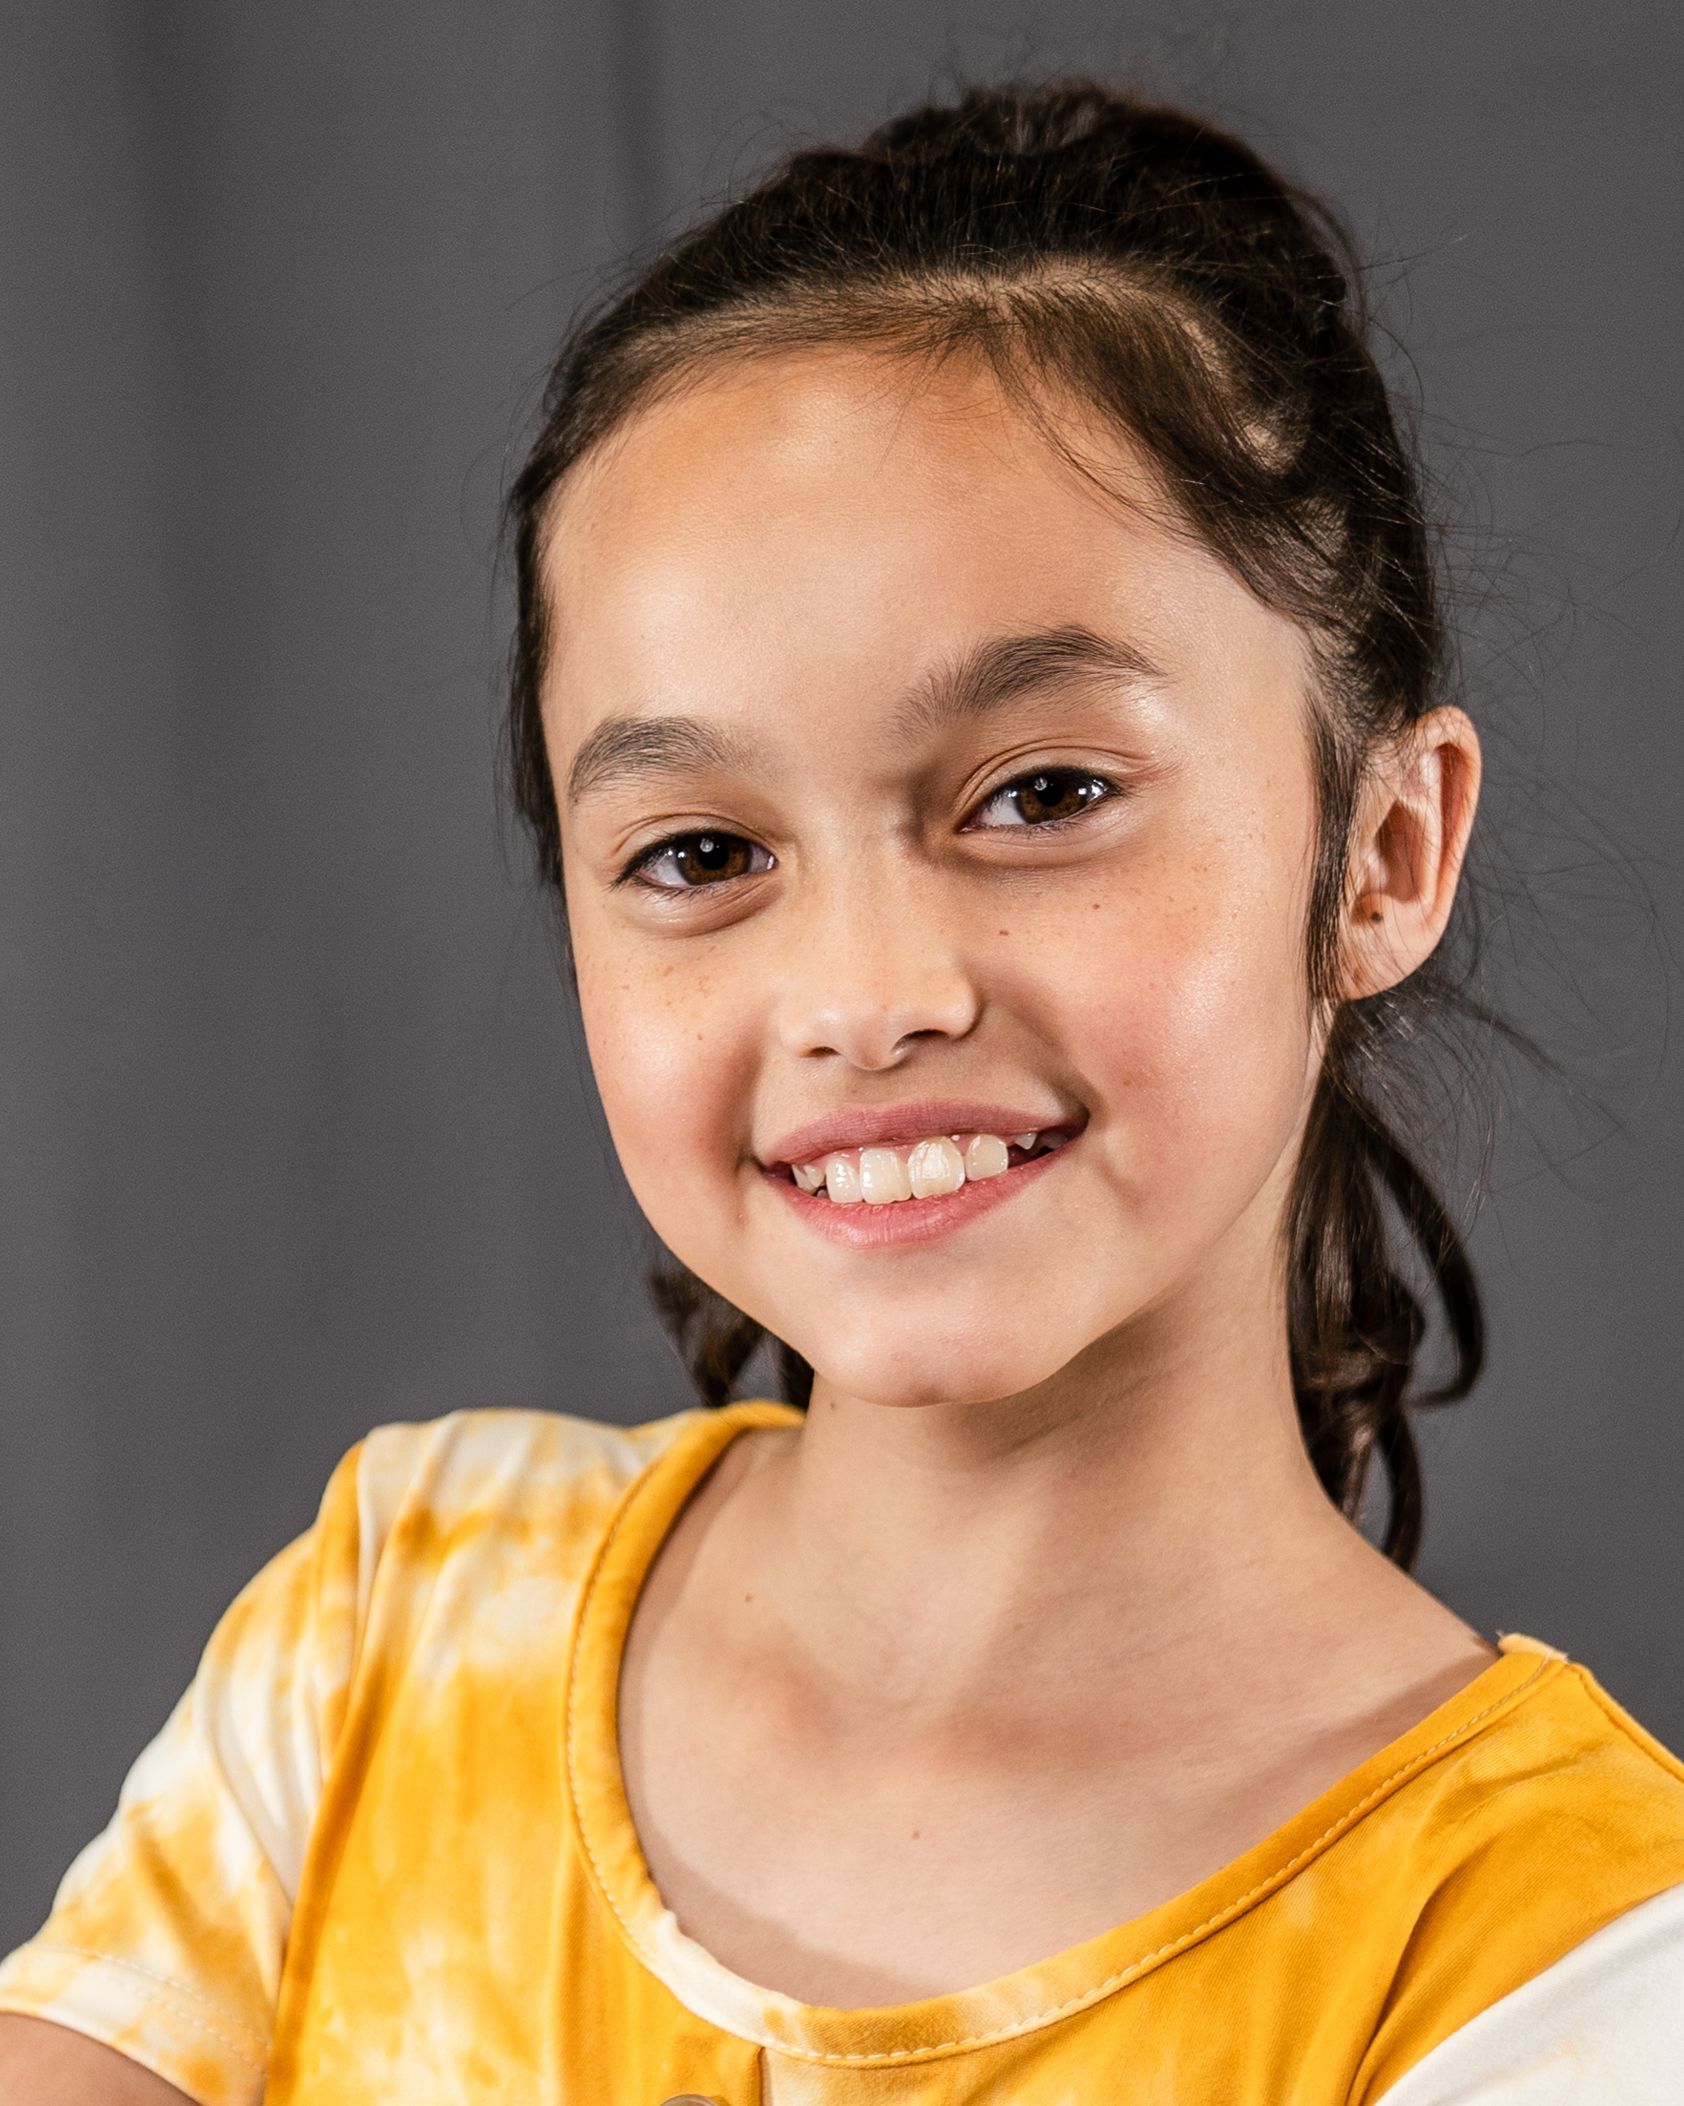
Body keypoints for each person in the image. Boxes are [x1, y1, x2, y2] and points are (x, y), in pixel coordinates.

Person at [1, 73, 1679, 2106]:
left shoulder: (1563, 1949)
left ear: (1383, 852)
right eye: (699, 855)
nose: (864, 996)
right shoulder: (403, 1617)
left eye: (1040, 795)